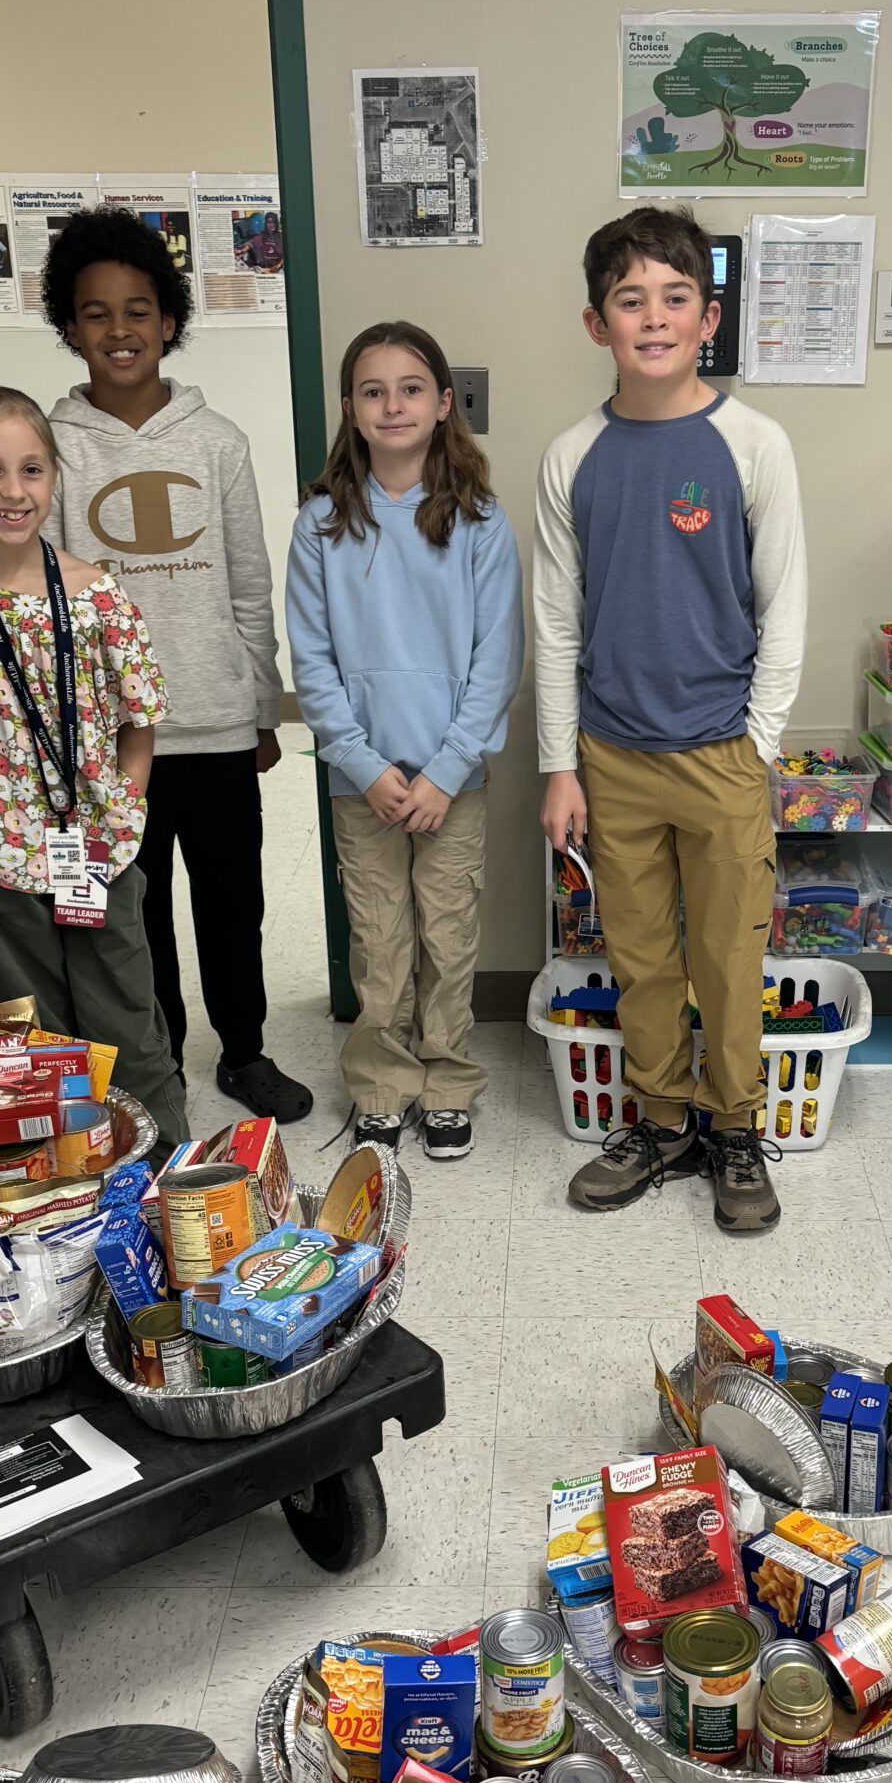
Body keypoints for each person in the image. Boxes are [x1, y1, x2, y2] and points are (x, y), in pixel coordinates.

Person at [533, 206, 807, 1235]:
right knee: (642, 958)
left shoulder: (753, 444)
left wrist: (758, 743)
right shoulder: (572, 456)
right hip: (612, 755)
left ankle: (733, 1126)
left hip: (723, 751)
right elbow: (555, 620)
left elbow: (785, 605)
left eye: (674, 298)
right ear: (596, 323)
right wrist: (560, 765)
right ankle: (660, 1120)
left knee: (730, 961)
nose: (653, 317)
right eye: (629, 300)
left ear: (709, 318)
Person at [40, 206, 310, 1124]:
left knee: (234, 904)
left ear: (169, 320)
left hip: (217, 722)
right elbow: (46, 601)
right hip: (113, 740)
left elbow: (248, 582)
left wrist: (261, 707)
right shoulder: (52, 448)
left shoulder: (218, 440)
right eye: (97, 313)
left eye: (138, 310)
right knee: (132, 914)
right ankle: (154, 1063)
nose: (120, 330)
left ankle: (245, 1051)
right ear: (69, 326)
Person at [0, 385, 188, 1140]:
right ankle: (73, 1162)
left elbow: (139, 722)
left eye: (31, 470)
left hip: (92, 846)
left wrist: (121, 808)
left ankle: (159, 1159)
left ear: (54, 476)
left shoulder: (97, 595)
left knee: (124, 1013)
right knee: (39, 1032)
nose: (13, 491)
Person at [286, 322, 523, 1159]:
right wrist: (361, 761)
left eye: (411, 388)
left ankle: (448, 1082)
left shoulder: (481, 523)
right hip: (364, 780)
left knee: (448, 938)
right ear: (350, 408)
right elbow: (311, 660)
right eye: (373, 391)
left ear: (444, 403)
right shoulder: (320, 524)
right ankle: (382, 1084)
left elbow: (497, 658)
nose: (393, 405)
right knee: (380, 941)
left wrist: (449, 769)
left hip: (453, 778)